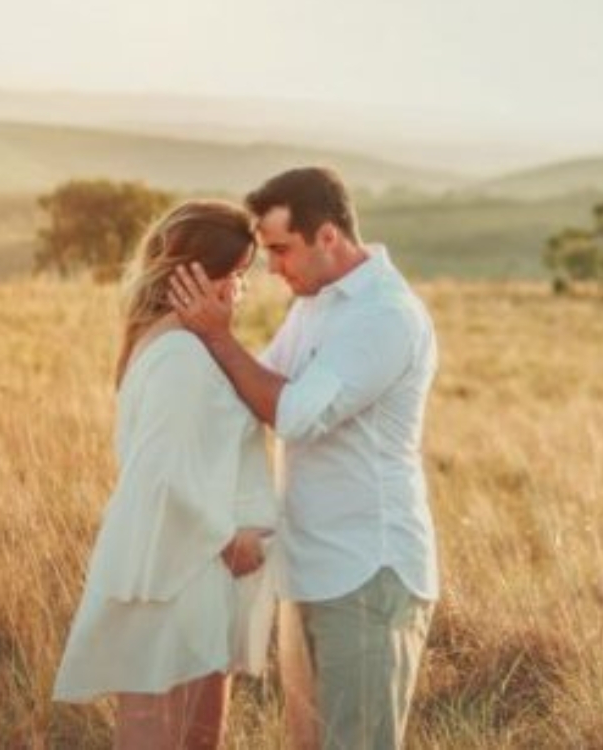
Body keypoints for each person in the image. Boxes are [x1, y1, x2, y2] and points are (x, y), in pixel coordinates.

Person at [169, 166, 439, 750]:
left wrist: (219, 336)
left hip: (368, 573)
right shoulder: (316, 303)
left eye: (280, 250)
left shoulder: (383, 316)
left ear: (328, 237)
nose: (273, 268)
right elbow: (250, 391)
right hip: (309, 569)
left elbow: (291, 413)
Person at [54, 200, 278, 750]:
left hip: (179, 568)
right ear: (201, 279)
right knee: (168, 736)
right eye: (237, 275)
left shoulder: (173, 341)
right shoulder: (179, 353)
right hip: (177, 576)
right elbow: (160, 476)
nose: (242, 290)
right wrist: (229, 539)